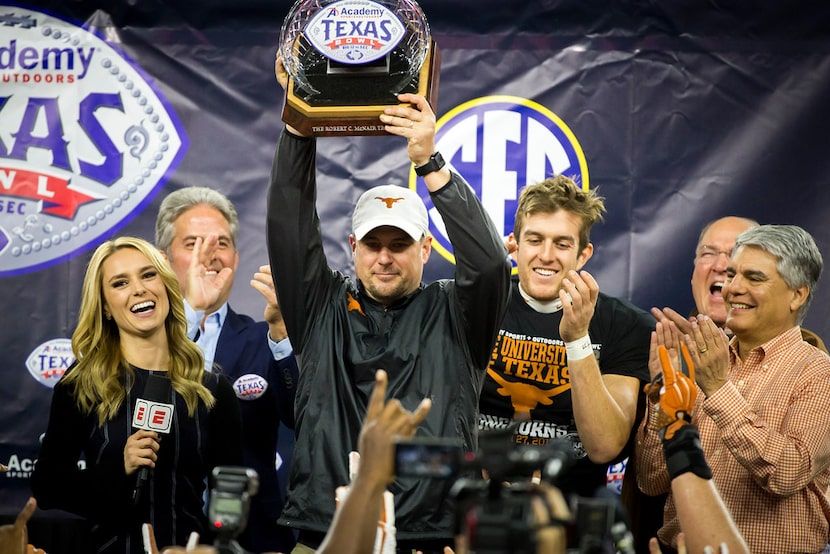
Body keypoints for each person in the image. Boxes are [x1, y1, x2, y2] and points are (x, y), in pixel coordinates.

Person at [267, 56, 512, 552]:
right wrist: (299, 116)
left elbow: (489, 266)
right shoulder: (320, 307)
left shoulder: (456, 314)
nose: (384, 258)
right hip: (326, 533)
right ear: (352, 247)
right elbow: (289, 217)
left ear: (424, 249)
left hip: (433, 536)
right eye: (373, 244)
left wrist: (430, 163)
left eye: (398, 244)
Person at [31, 236, 243, 554]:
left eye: (148, 275)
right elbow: (48, 488)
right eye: (120, 283)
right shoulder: (83, 384)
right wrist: (119, 468)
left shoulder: (212, 390)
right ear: (104, 306)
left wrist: (212, 549)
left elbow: (231, 496)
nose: (139, 289)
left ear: (166, 287)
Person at [637, 225, 830, 553]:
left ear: (797, 295)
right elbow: (651, 479)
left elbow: (785, 473)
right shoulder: (699, 361)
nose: (733, 288)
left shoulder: (819, 372)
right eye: (731, 274)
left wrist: (716, 386)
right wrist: (663, 393)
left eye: (754, 278)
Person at [480, 176, 652, 498]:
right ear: (514, 245)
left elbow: (605, 446)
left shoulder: (625, 324)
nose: (546, 255)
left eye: (562, 244)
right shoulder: (474, 307)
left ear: (583, 254)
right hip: (474, 505)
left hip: (571, 518)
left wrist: (577, 341)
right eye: (534, 240)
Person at [155, 187, 299, 552]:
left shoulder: (261, 338)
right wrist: (189, 311)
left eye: (221, 243)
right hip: (160, 534)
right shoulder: (139, 342)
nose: (210, 255)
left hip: (251, 538)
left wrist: (282, 334)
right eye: (193, 243)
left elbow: (303, 415)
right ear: (163, 259)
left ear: (235, 256)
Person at [690, 215, 827, 351]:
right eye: (708, 253)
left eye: (754, 278)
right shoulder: (672, 348)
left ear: (796, 295)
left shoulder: (812, 365)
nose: (720, 266)